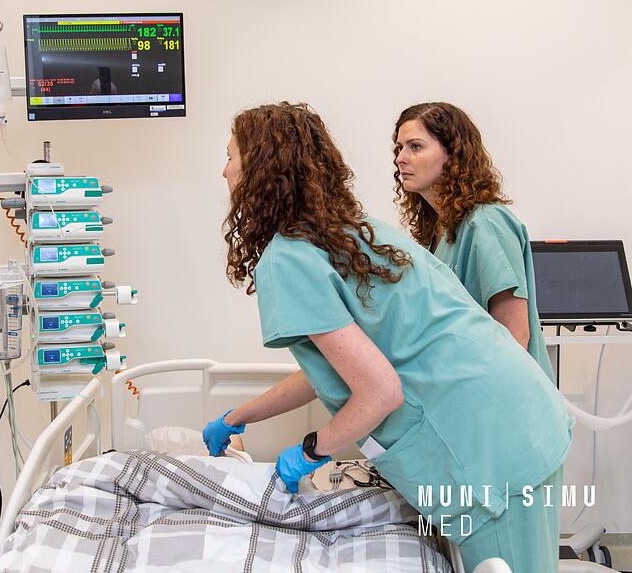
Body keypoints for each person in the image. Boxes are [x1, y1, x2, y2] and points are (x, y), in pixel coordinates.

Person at [201, 102, 572, 573]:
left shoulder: (290, 257)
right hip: (511, 416)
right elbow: (339, 368)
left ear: (259, 167)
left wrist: (310, 450)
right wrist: (239, 416)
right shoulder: (354, 233)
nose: (224, 170)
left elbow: (378, 390)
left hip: (488, 445)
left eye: (230, 156)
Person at [392, 102, 553, 379]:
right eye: (399, 148)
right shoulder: (440, 229)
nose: (401, 158)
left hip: (503, 393)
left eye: (415, 147)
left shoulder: (487, 222)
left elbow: (515, 336)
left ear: (452, 154)